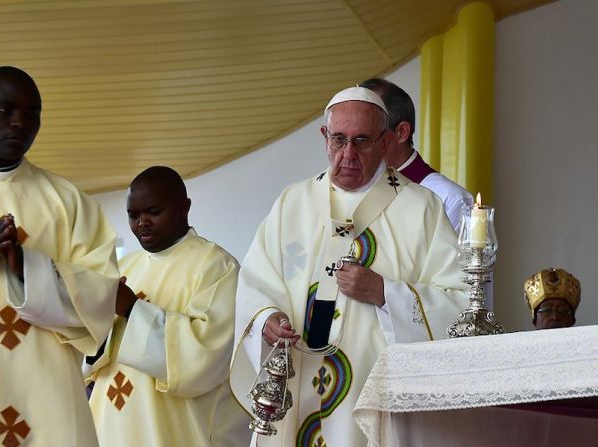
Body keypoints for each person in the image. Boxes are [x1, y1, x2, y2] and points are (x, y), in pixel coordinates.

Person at [230, 86, 468, 447]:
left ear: (386, 142)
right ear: (324, 137)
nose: (348, 154)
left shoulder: (422, 209)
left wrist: (386, 293)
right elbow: (257, 281)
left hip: (373, 391)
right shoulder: (293, 202)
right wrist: (267, 320)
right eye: (338, 140)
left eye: (362, 141)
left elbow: (461, 303)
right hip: (297, 378)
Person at [0, 66, 119, 446]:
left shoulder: (68, 201)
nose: (20, 123)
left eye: (32, 113)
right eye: (5, 110)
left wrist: (31, 271)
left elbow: (101, 300)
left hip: (48, 395)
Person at [88, 166, 249, 446]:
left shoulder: (215, 267)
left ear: (184, 207)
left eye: (153, 211)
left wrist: (131, 309)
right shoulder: (125, 266)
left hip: (173, 431)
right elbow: (92, 354)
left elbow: (204, 359)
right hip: (110, 426)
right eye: (133, 215)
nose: (142, 223)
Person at [358, 78, 473, 233]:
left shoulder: (450, 200)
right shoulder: (346, 192)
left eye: (365, 135)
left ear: (401, 132)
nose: (352, 148)